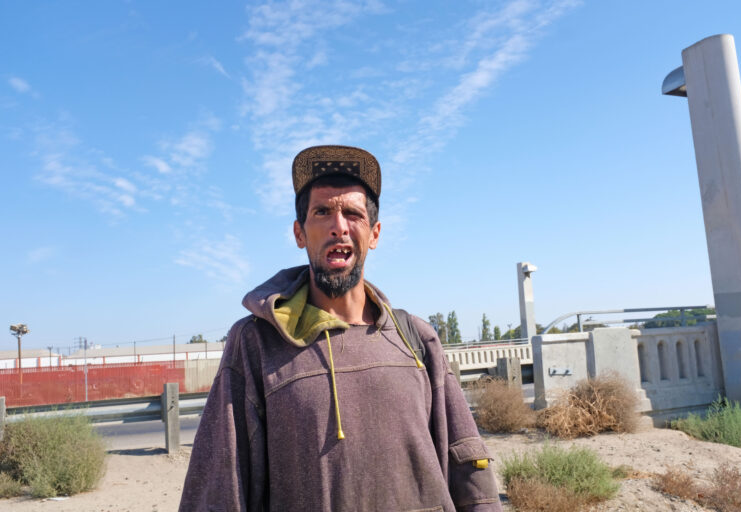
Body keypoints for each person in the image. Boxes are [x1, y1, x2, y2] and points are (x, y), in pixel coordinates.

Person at [179, 145, 501, 511]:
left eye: (352, 213)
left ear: (374, 234)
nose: (339, 226)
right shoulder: (257, 344)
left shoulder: (416, 340)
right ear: (300, 233)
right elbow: (219, 489)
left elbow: (470, 477)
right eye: (322, 212)